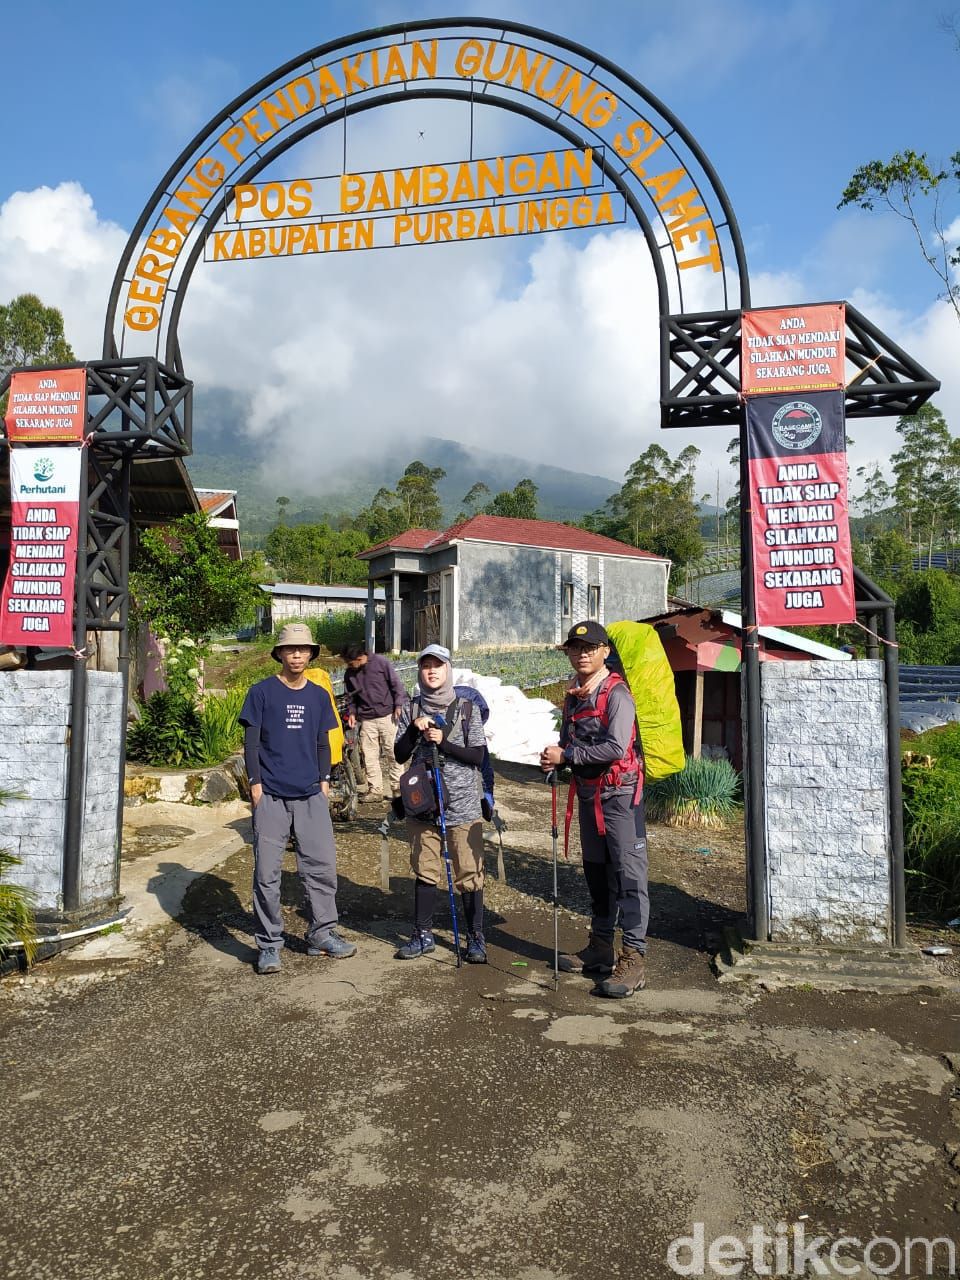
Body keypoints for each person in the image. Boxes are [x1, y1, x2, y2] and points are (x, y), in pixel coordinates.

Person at [241, 622, 357, 975]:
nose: (296, 654)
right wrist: (255, 784)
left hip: (310, 793)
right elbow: (252, 742)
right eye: (290, 649)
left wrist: (324, 781)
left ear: (311, 654)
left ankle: (322, 934)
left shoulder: (319, 696)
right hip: (272, 795)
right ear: (279, 653)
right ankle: (269, 945)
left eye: (303, 649)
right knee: (267, 873)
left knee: (320, 868)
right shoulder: (261, 693)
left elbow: (325, 742)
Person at [540, 620, 649, 998]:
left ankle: (633, 959)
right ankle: (600, 949)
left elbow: (616, 748)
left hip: (620, 798)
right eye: (575, 648)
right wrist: (556, 759)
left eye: (590, 647)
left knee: (629, 878)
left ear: (605, 651)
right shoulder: (574, 695)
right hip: (588, 795)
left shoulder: (616, 693)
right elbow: (567, 742)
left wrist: (567, 755)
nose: (582, 653)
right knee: (597, 874)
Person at [393, 643, 488, 963]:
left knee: (469, 872)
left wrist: (442, 742)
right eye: (425, 665)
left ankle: (476, 937)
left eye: (438, 665)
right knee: (425, 868)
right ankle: (422, 935)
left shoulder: (467, 708)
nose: (431, 670)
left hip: (463, 804)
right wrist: (412, 728)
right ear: (419, 671)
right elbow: (399, 754)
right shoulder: (411, 707)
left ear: (449, 669)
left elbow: (477, 755)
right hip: (422, 803)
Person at [339, 642, 407, 804]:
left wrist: (398, 704)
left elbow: (396, 684)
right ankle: (375, 790)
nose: (349, 666)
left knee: (393, 753)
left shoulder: (381, 663)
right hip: (367, 719)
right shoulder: (350, 674)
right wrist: (352, 713)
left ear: (360, 657)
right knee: (370, 755)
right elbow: (351, 697)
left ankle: (398, 789)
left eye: (350, 662)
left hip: (388, 716)